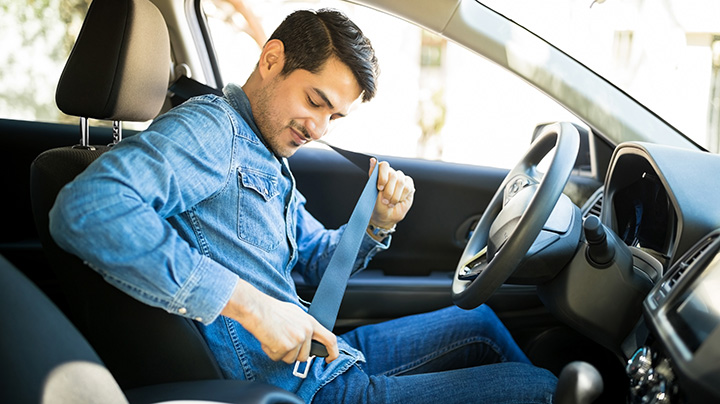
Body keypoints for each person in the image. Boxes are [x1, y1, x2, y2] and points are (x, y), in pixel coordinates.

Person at [49, 8, 557, 404]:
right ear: (271, 60)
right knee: (545, 393)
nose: (319, 129)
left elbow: (315, 256)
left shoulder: (263, 148)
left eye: (335, 116)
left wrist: (376, 224)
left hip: (318, 360)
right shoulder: (210, 131)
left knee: (483, 323)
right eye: (315, 102)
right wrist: (250, 304)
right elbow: (87, 208)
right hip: (299, 390)